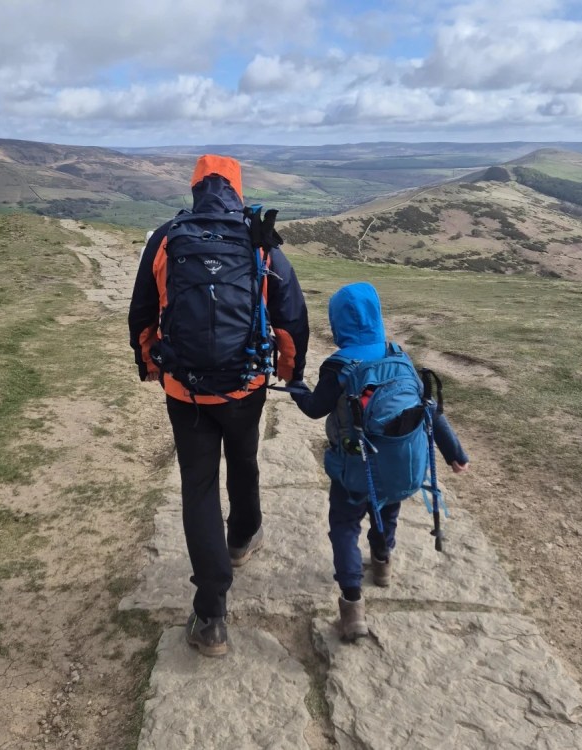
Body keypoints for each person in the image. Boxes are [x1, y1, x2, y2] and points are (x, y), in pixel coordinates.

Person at [128, 154, 309, 656]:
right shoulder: (257, 238)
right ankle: (243, 537)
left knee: (199, 485)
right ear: (236, 188)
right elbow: (290, 312)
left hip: (184, 389)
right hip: (244, 385)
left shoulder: (168, 236)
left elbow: (142, 309)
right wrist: (290, 374)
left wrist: (151, 366)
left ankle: (211, 616)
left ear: (195, 189)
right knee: (245, 458)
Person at [289, 282, 468, 640]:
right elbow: (429, 409)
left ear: (338, 324)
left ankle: (352, 605)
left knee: (344, 526)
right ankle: (383, 564)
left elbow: (313, 409)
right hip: (401, 469)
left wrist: (295, 384)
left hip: (354, 472)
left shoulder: (338, 366)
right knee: (387, 511)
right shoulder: (398, 355)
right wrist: (455, 455)